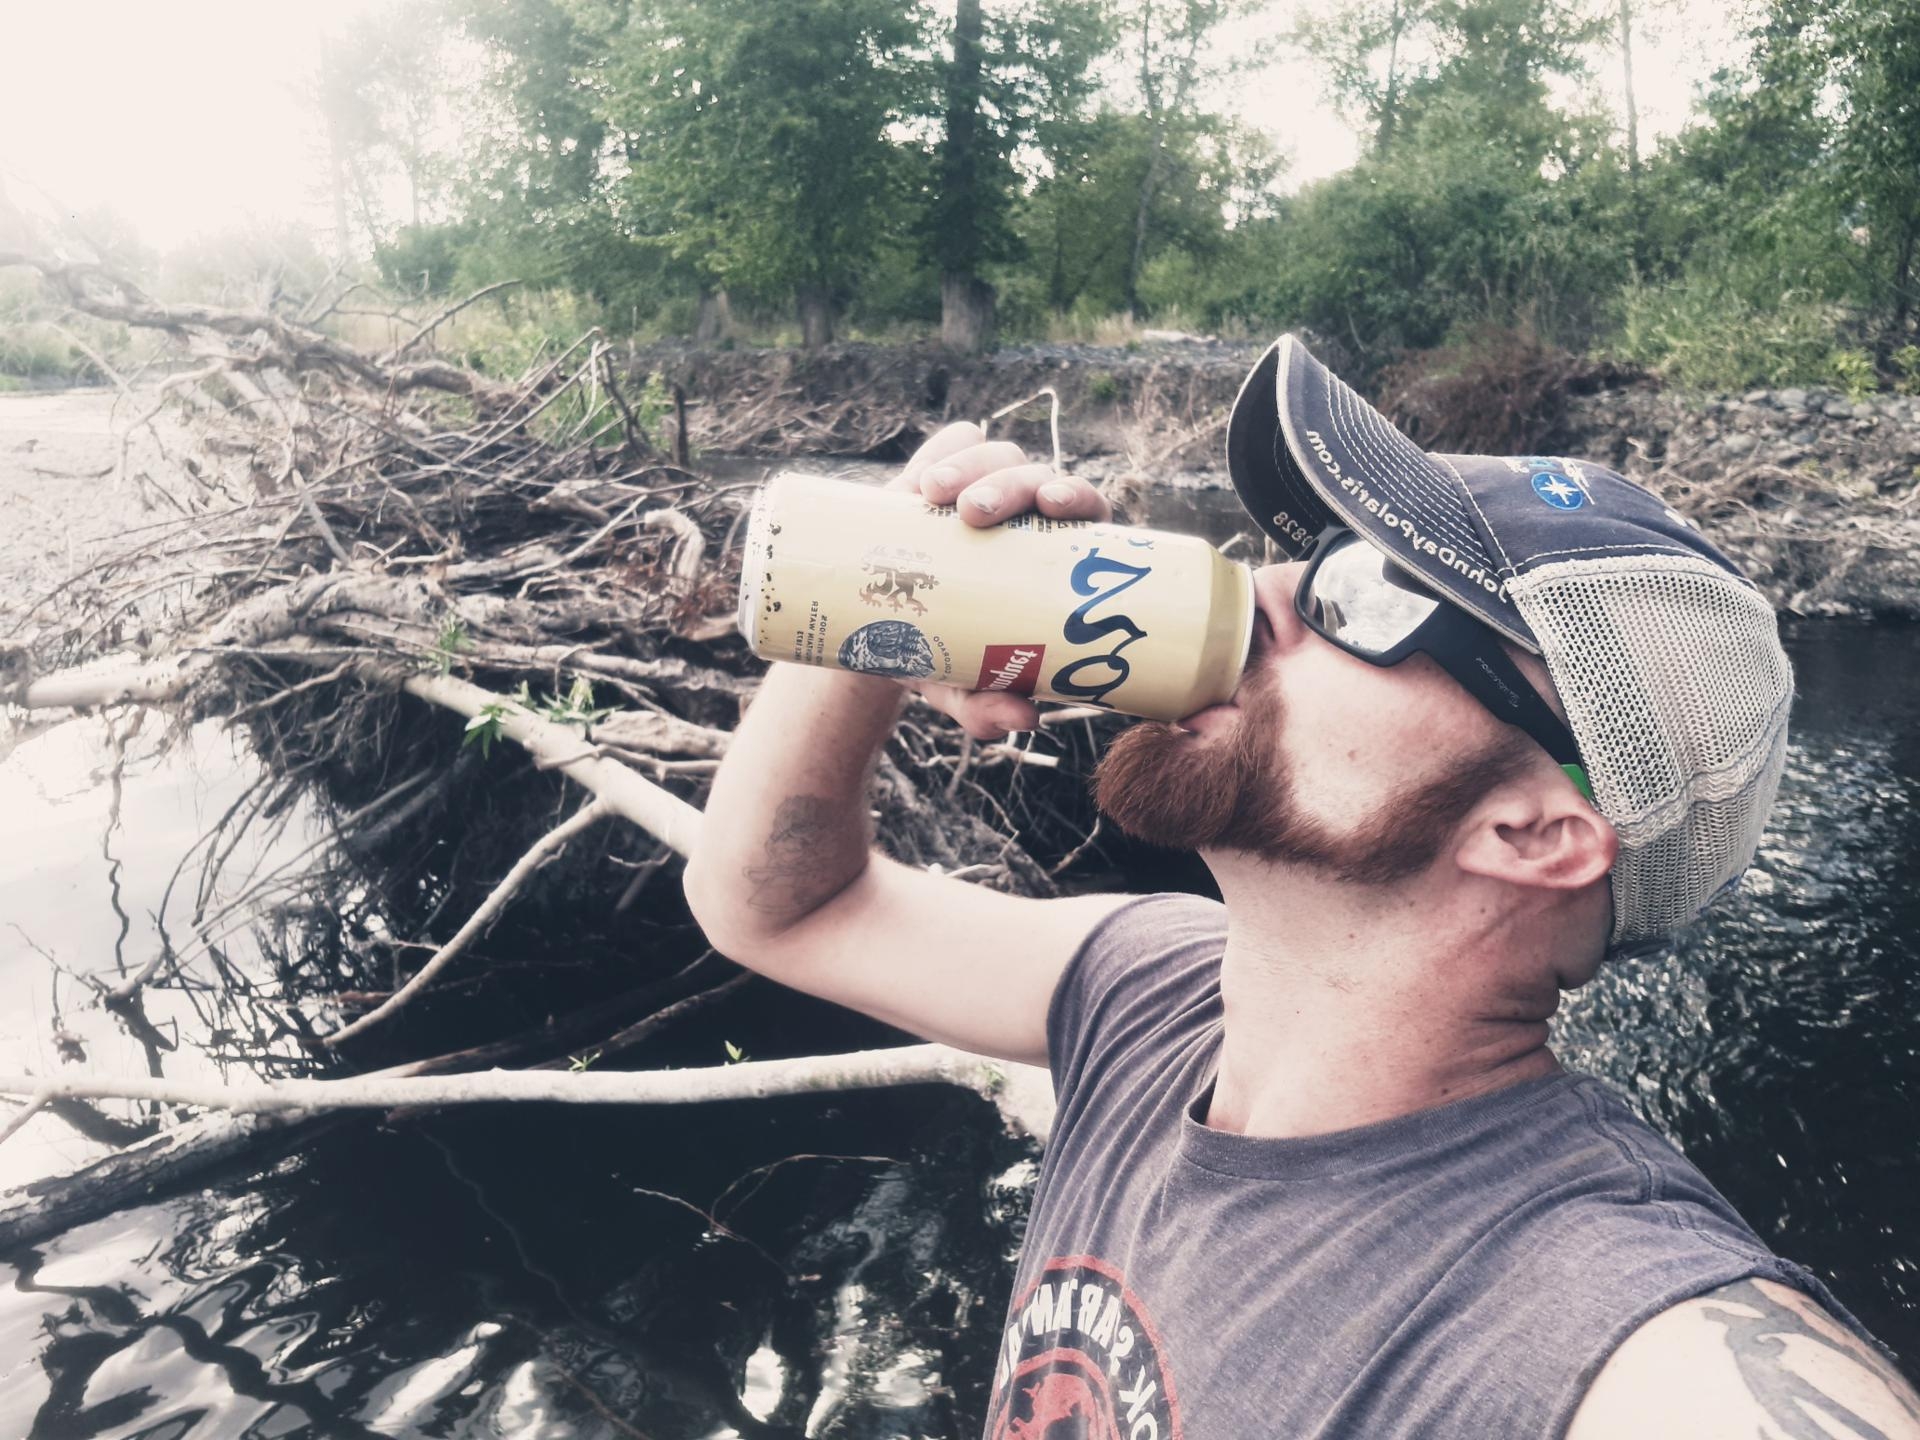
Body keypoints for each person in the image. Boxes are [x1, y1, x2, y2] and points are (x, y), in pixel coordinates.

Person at [684, 335, 1920, 1437]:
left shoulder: (1588, 1315)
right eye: (1314, 553)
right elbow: (785, 907)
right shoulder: (1148, 993)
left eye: (1372, 595)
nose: (1265, 590)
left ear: (1536, 833)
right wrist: (892, 591)